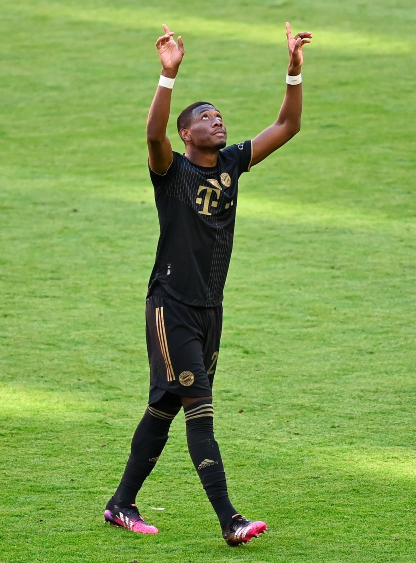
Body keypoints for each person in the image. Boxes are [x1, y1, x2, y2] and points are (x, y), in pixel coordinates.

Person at [103, 22, 312, 546]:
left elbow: (288, 125)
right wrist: (167, 76)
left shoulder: (233, 163)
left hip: (209, 309)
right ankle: (230, 520)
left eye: (219, 116)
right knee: (200, 411)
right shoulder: (170, 171)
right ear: (186, 134)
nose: (217, 121)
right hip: (171, 305)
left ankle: (120, 504)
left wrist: (293, 71)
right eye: (205, 117)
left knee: (164, 406)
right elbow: (152, 136)